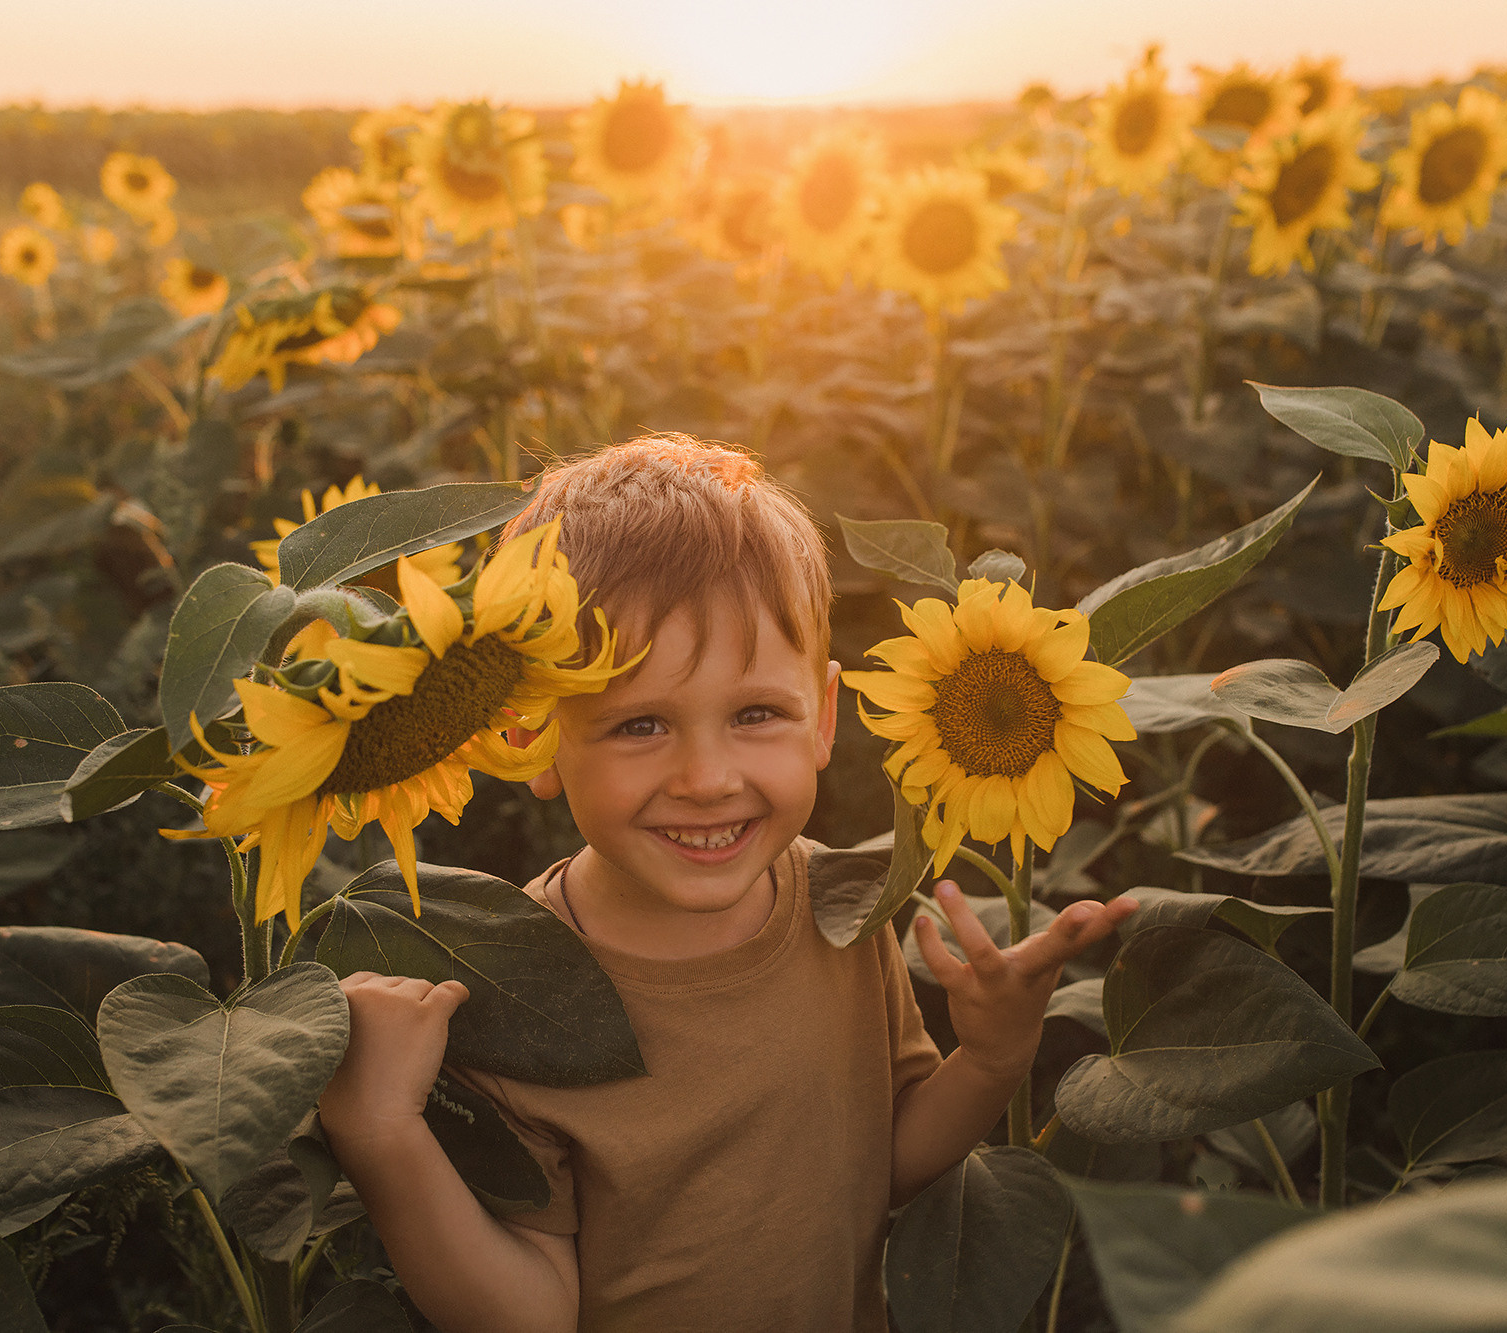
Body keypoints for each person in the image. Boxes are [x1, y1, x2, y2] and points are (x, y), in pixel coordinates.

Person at [317, 437, 1136, 1332]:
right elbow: (532, 1312)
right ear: (530, 734)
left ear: (822, 718)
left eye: (755, 714)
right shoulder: (517, 983)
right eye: (639, 725)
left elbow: (884, 1159)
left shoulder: (846, 913)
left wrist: (990, 1056)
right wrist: (381, 1133)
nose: (707, 777)